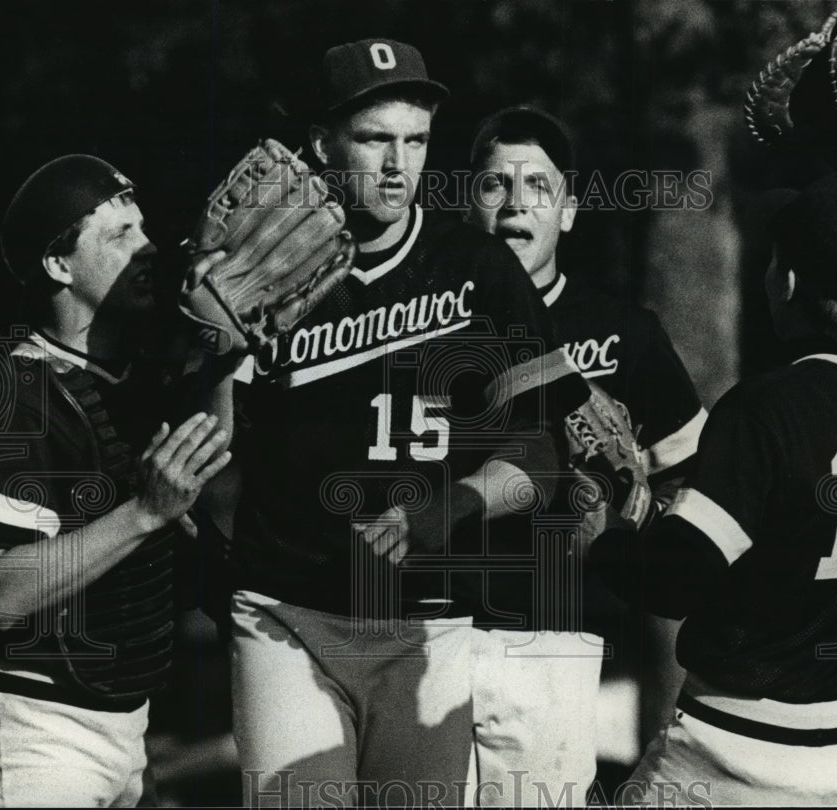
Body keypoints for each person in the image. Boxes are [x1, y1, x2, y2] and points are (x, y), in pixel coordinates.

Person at [227, 40, 590, 808]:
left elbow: (544, 448)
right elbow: (212, 452)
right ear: (323, 142)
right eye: (374, 138)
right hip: (287, 615)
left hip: (428, 621)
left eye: (416, 140)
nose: (399, 163)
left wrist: (454, 504)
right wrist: (207, 345)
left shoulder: (478, 269)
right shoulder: (251, 276)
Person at [623, 172, 837, 806]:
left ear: (786, 283)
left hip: (730, 753)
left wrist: (621, 517)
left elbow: (671, 583)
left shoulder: (766, 411)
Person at [0, 156, 231, 806]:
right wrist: (145, 511)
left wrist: (231, 351)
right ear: (59, 266)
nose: (149, 250)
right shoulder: (10, 393)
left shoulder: (139, 383)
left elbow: (210, 471)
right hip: (34, 731)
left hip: (128, 726)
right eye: (120, 235)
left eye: (144, 230)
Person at [466, 106, 707, 801]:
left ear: (568, 211)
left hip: (552, 641)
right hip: (422, 629)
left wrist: (637, 534)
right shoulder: (422, 321)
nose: (515, 205)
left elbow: (688, 481)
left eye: (538, 187)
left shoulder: (622, 333)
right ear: (468, 205)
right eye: (493, 186)